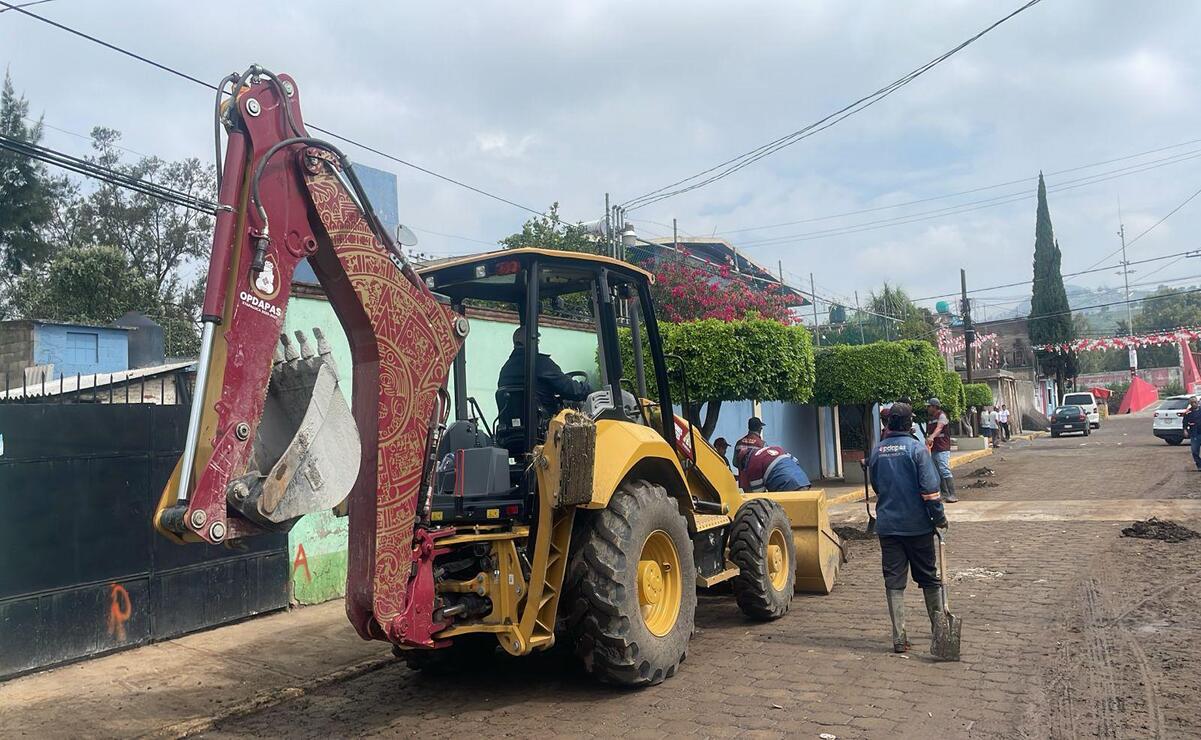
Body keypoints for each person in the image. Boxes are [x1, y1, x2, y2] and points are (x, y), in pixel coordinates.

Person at [868, 402, 948, 654]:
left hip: (888, 527)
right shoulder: (917, 449)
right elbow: (930, 492)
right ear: (908, 424)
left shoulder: (877, 451)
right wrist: (939, 519)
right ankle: (939, 632)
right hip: (917, 527)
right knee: (928, 578)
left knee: (894, 581)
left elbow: (877, 486)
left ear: (889, 422)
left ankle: (899, 637)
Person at [497, 326, 590, 411]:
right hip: (544, 424)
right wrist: (589, 390)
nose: (537, 344)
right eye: (537, 341)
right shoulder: (540, 363)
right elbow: (572, 390)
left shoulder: (505, 370)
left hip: (511, 426)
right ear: (530, 340)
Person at [925, 397, 958, 503]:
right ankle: (944, 494)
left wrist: (932, 437)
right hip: (935, 448)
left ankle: (953, 494)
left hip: (942, 448)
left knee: (944, 469)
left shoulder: (942, 416)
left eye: (929, 406)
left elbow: (939, 428)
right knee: (937, 471)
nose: (928, 408)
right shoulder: (931, 418)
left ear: (935, 406)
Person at [739, 445, 812, 491]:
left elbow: (759, 495)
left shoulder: (752, 464)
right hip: (803, 480)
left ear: (745, 460)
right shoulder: (776, 448)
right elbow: (795, 461)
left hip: (786, 487)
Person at [1184, 397, 1201, 471]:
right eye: (1192, 403)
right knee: (1194, 451)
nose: (1194, 404)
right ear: (1190, 404)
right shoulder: (1188, 412)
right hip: (1194, 434)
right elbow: (1184, 422)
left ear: (1197, 402)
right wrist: (1185, 430)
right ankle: (1199, 465)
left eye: (1195, 402)